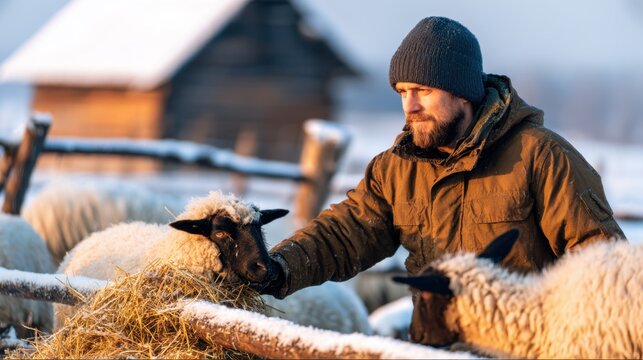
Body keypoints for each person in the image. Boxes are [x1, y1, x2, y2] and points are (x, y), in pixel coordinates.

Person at [248, 16, 626, 343]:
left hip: (522, 348)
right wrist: (278, 267)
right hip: (431, 345)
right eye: (402, 92)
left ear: (462, 93)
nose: (409, 107)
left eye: (423, 91)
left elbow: (603, 267)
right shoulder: (396, 169)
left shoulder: (541, 157)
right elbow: (345, 235)